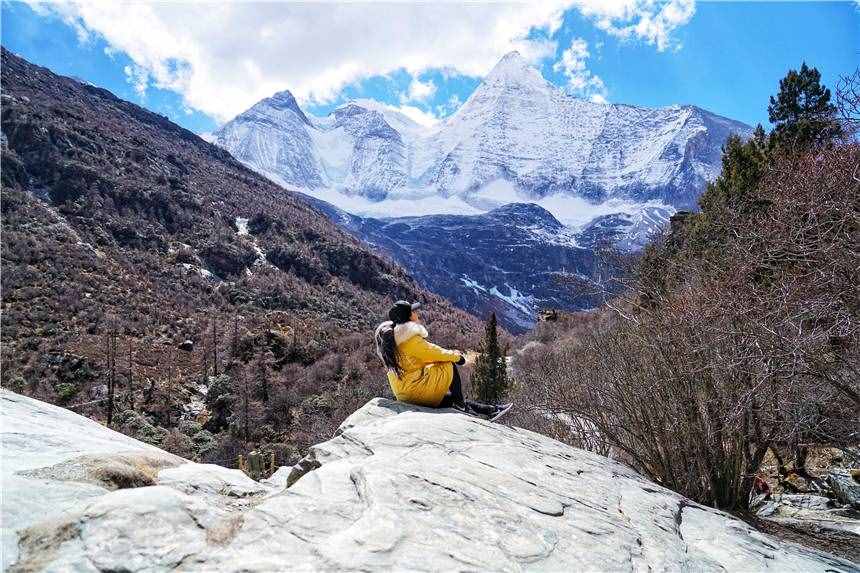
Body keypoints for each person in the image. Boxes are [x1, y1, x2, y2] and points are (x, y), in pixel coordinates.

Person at [374, 300, 508, 419]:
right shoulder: (409, 340)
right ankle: (463, 406)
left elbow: (422, 359)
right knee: (448, 364)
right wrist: (458, 358)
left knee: (450, 400)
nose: (417, 313)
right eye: (413, 312)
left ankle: (490, 410)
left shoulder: (393, 340)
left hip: (406, 393)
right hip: (415, 391)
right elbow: (435, 352)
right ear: (408, 317)